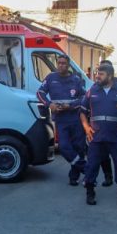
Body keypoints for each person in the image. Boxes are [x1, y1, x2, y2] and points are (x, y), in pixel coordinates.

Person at [80, 64, 117, 206]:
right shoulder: (92, 91)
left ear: (110, 76)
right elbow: (82, 111)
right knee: (92, 164)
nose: (97, 76)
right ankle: (90, 192)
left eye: (101, 74)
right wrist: (86, 127)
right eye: (97, 73)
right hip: (96, 137)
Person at [37, 55, 87, 185]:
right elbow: (40, 93)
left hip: (76, 118)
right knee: (64, 148)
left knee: (78, 148)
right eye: (59, 63)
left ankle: (74, 177)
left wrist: (70, 106)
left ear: (68, 65)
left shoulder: (76, 79)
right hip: (61, 120)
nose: (61, 65)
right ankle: (87, 169)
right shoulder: (50, 78)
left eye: (64, 63)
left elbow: (84, 98)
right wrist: (50, 105)